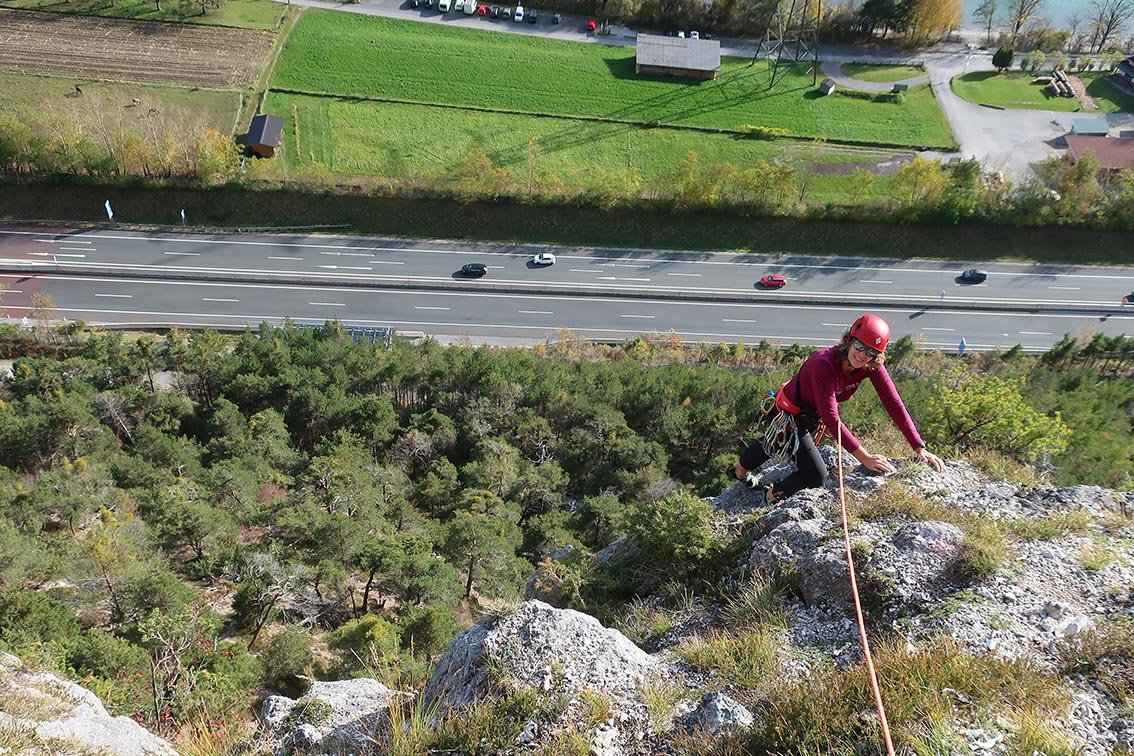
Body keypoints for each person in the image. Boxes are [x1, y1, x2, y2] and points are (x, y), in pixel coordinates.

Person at [729, 314, 945, 502]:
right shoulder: (824, 364)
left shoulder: (870, 366)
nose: (862, 355)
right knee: (814, 474)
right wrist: (865, 458)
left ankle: (751, 478)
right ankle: (759, 486)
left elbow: (894, 403)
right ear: (849, 340)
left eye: (870, 351)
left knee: (779, 442)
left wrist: (918, 446)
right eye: (859, 346)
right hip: (790, 412)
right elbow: (832, 419)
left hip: (810, 415)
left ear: (877, 355)